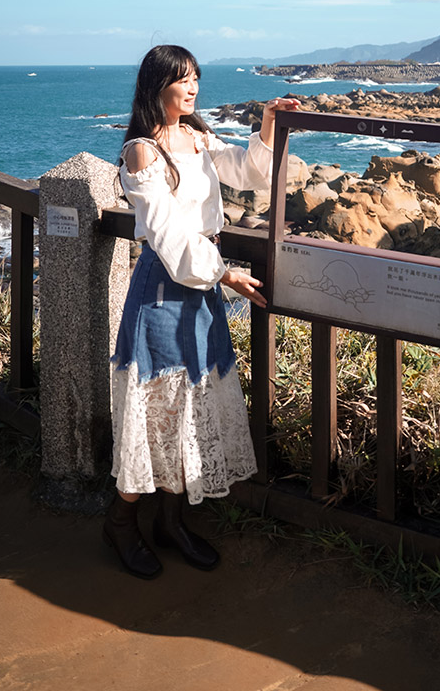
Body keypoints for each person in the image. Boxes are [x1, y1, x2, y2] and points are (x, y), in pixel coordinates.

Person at [103, 44, 299, 578]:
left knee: (191, 403)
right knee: (159, 409)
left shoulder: (197, 136)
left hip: (203, 282)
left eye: (195, 78)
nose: (192, 88)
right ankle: (121, 522)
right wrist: (225, 273)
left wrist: (268, 123)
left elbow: (251, 172)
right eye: (181, 79)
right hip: (165, 288)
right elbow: (167, 235)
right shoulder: (141, 152)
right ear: (156, 85)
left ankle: (170, 522)